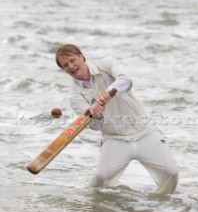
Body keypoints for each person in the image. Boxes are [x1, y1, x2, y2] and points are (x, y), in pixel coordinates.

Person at [55, 44, 178, 194]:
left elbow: (126, 80)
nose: (71, 66)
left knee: (172, 174)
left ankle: (161, 209)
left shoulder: (106, 65)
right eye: (65, 65)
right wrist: (97, 116)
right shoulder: (75, 97)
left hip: (144, 132)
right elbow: (95, 126)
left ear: (81, 56)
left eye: (72, 60)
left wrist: (110, 92)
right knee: (100, 180)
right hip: (114, 139)